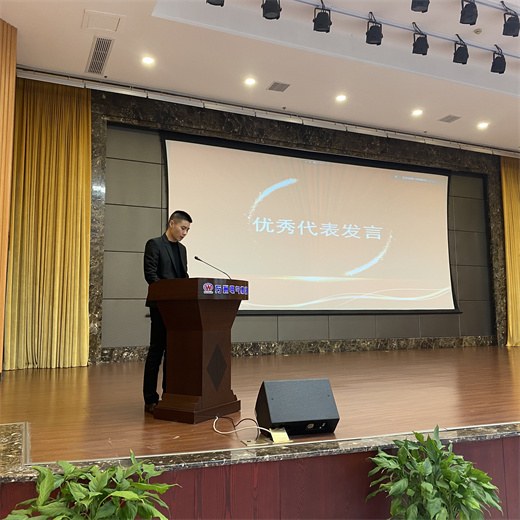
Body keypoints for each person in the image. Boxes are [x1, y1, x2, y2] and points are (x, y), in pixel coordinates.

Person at [143, 210, 192, 413]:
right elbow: (150, 275)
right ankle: (150, 399)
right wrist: (169, 294)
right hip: (161, 306)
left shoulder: (182, 249)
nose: (185, 233)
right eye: (183, 228)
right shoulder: (154, 244)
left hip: (178, 308)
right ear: (172, 224)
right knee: (157, 352)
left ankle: (169, 394)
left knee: (173, 353)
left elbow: (183, 277)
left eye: (188, 230)